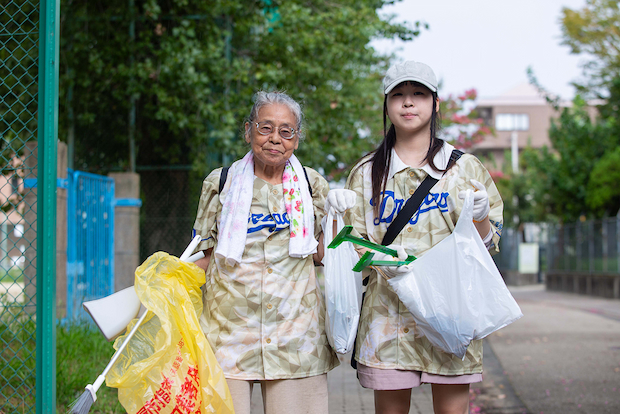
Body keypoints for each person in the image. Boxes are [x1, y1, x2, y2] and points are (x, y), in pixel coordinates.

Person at [328, 61, 504, 414]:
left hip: (451, 313)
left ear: (435, 103)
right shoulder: (365, 173)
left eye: (418, 94)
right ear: (387, 104)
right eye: (399, 95)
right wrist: (333, 220)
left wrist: (482, 218)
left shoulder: (463, 167)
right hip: (388, 317)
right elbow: (351, 252)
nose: (408, 103)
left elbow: (488, 245)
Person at [191, 91, 340, 414]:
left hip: (295, 337)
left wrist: (339, 223)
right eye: (265, 128)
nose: (275, 139)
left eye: (286, 131)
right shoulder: (221, 183)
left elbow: (321, 255)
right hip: (227, 335)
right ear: (248, 131)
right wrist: (169, 280)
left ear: (296, 139)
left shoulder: (313, 185)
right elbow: (204, 252)